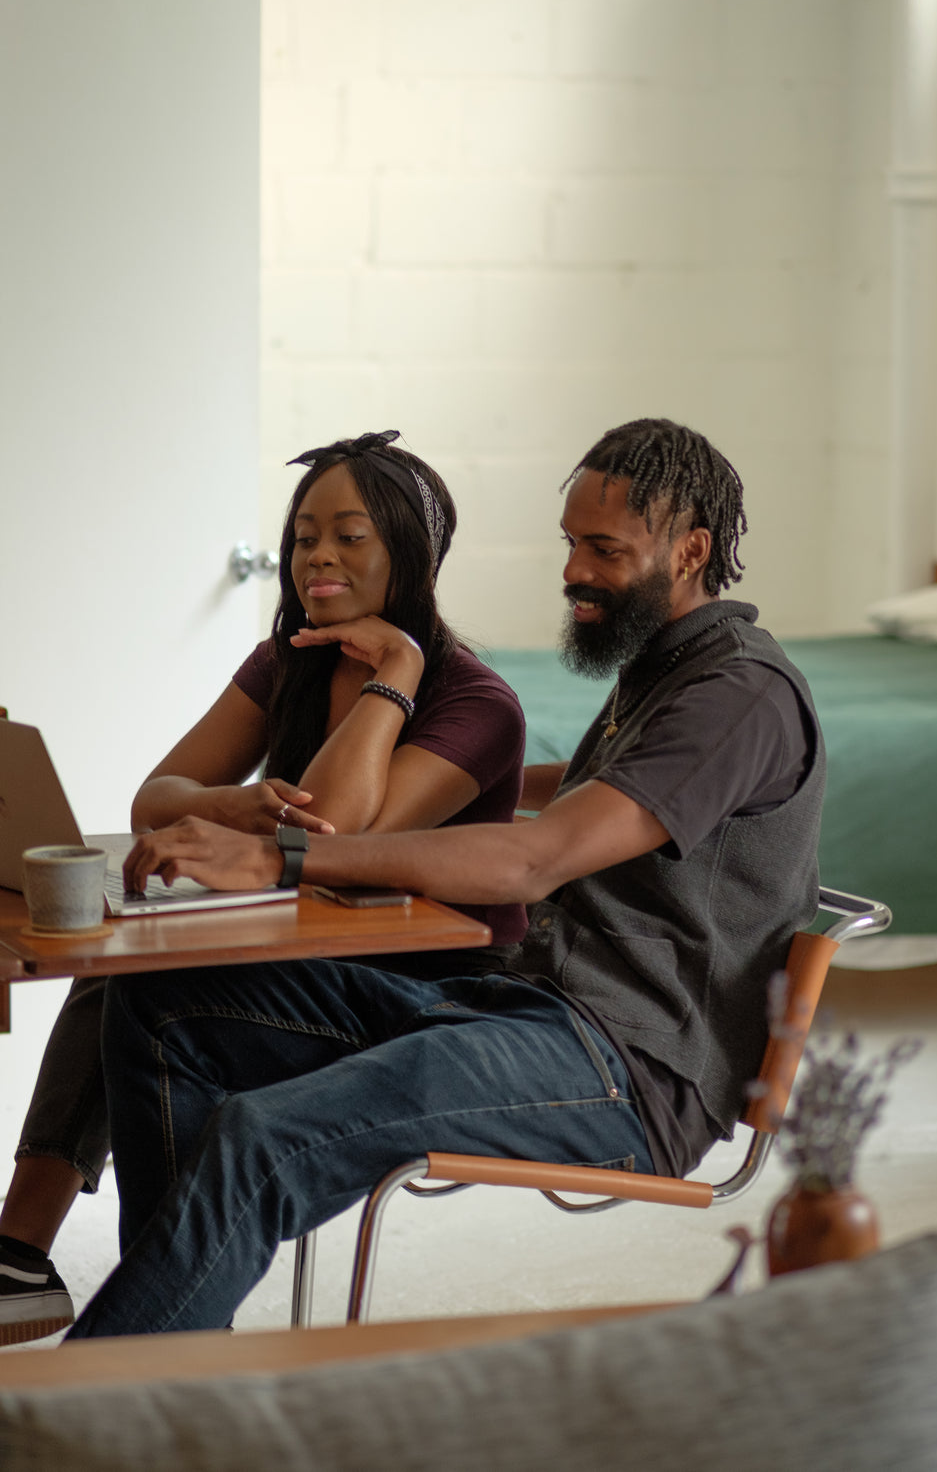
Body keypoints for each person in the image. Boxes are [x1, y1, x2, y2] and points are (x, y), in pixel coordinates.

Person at [66, 414, 826, 1339]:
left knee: (265, 1136)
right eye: (569, 544)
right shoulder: (662, 676)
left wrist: (283, 852)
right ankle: (160, 1356)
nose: (572, 571)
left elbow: (534, 859)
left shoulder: (736, 693)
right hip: (516, 1003)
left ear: (692, 549)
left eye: (603, 549)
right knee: (163, 1005)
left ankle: (90, 1399)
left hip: (627, 1063)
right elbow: (567, 803)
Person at [0, 431, 526, 1345]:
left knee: (143, 978)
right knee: (131, 942)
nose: (317, 556)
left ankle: (88, 1284)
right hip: (315, 955)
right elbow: (155, 795)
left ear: (411, 550)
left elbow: (340, 825)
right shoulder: (288, 660)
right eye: (304, 536)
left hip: (427, 999)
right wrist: (235, 803)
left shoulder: (474, 703)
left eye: (349, 536)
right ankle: (42, 1267)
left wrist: (394, 674)